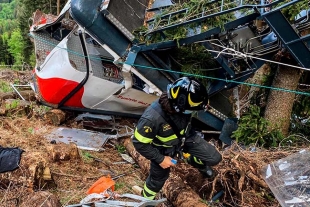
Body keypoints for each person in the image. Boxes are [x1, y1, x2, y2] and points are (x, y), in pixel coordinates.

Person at [132, 76, 222, 200]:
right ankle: (146, 199)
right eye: (190, 110)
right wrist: (160, 159)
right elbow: (139, 143)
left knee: (214, 158)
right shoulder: (151, 119)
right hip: (163, 150)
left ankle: (192, 160)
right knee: (157, 181)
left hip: (186, 137)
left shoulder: (182, 105)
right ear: (178, 106)